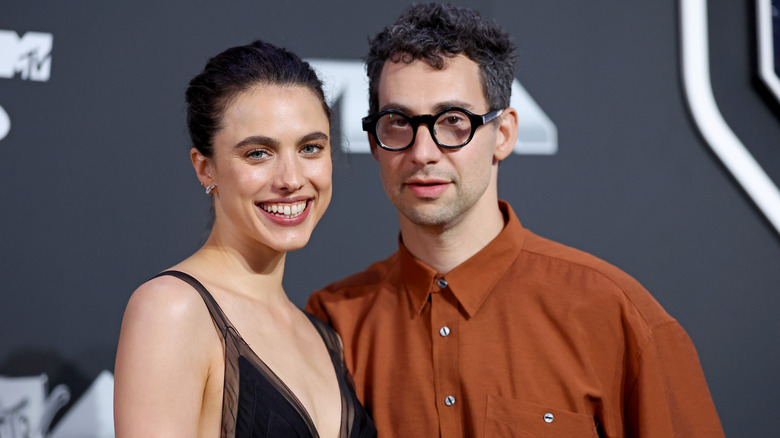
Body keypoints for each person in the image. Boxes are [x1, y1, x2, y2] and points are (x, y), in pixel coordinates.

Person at [306, 4, 724, 437]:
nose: (423, 152)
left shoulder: (615, 315)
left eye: (453, 122)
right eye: (397, 122)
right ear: (374, 142)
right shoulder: (333, 324)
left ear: (502, 134)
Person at [114, 40, 376, 438]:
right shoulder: (171, 310)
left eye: (310, 148)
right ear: (205, 169)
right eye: (258, 153)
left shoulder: (325, 337)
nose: (291, 179)